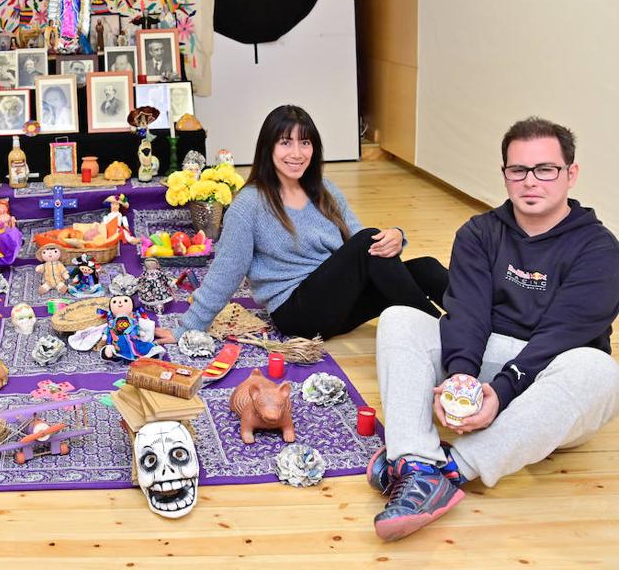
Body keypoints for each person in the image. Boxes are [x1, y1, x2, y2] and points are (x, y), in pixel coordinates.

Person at [367, 118, 619, 541]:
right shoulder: (480, 233)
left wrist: (501, 391)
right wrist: (463, 374)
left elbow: (561, 335)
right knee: (400, 318)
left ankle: (452, 468)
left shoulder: (600, 250)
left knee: (600, 370)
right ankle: (414, 462)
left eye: (546, 169)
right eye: (517, 170)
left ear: (570, 174)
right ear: (504, 174)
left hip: (549, 390)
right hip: (485, 366)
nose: (530, 182)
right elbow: (467, 313)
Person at [168, 105, 447, 343]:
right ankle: (446, 336)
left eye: (305, 142)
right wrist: (187, 327)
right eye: (286, 142)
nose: (298, 153)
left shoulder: (325, 189)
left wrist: (396, 237)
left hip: (340, 304)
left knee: (426, 268)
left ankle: (483, 319)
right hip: (298, 313)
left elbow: (362, 243)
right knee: (368, 242)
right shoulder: (248, 205)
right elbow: (225, 273)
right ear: (268, 148)